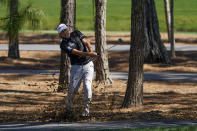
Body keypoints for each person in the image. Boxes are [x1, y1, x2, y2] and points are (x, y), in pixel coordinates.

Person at [57, 23, 97, 117]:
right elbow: (76, 52)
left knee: (87, 87)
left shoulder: (76, 33)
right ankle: (68, 111)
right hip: (76, 68)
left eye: (65, 29)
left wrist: (90, 51)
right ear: (60, 35)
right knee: (72, 90)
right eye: (62, 31)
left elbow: (86, 42)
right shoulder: (63, 44)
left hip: (88, 65)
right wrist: (89, 54)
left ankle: (86, 112)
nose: (65, 32)